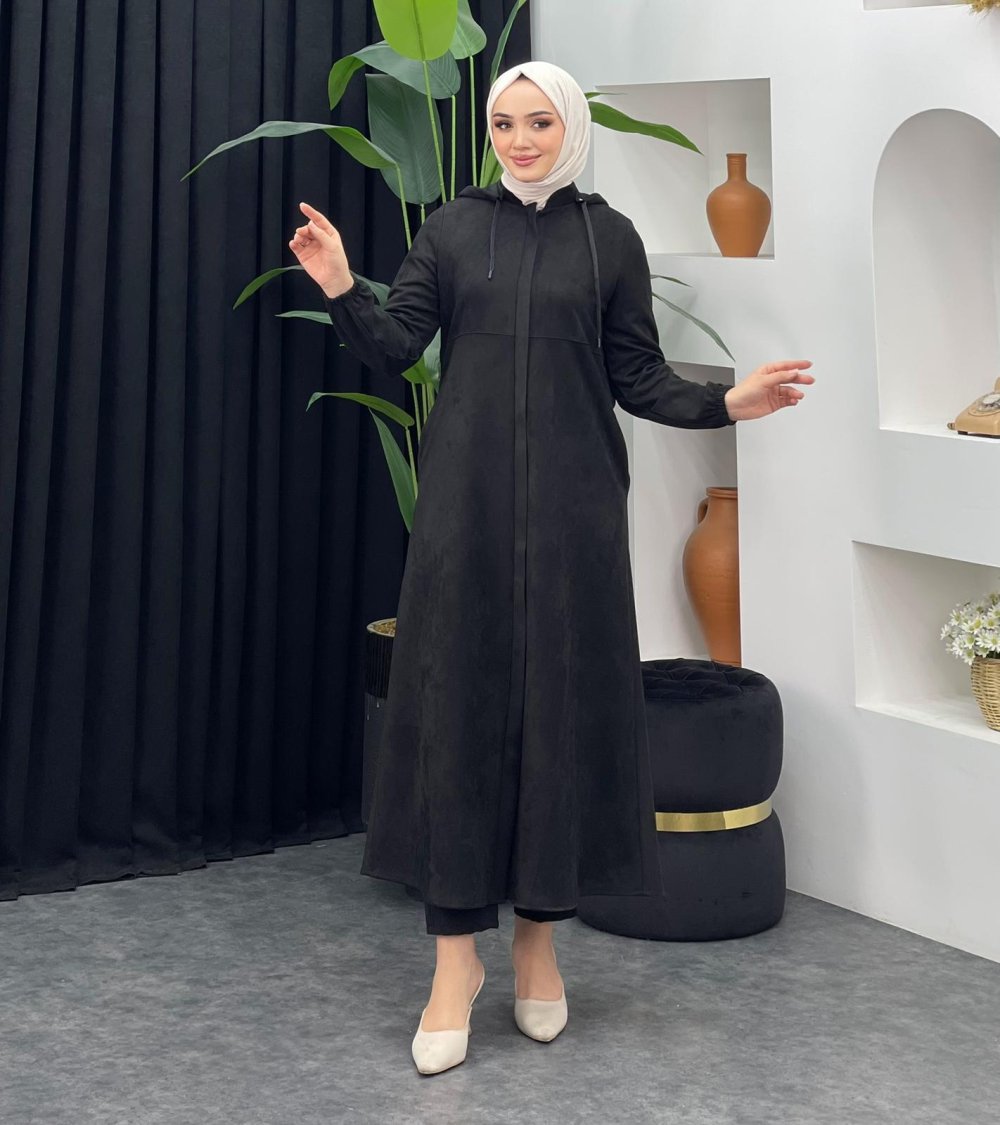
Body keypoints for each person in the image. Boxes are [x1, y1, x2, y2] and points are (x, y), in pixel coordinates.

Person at [289, 59, 814, 1075]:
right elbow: (396, 347)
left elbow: (637, 377)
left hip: (576, 517)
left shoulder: (608, 238)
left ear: (568, 126)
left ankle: (535, 947)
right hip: (464, 511)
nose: (520, 140)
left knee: (557, 721)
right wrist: (342, 284)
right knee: (454, 718)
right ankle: (454, 965)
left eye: (538, 122)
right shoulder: (453, 229)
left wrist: (726, 403)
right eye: (503, 124)